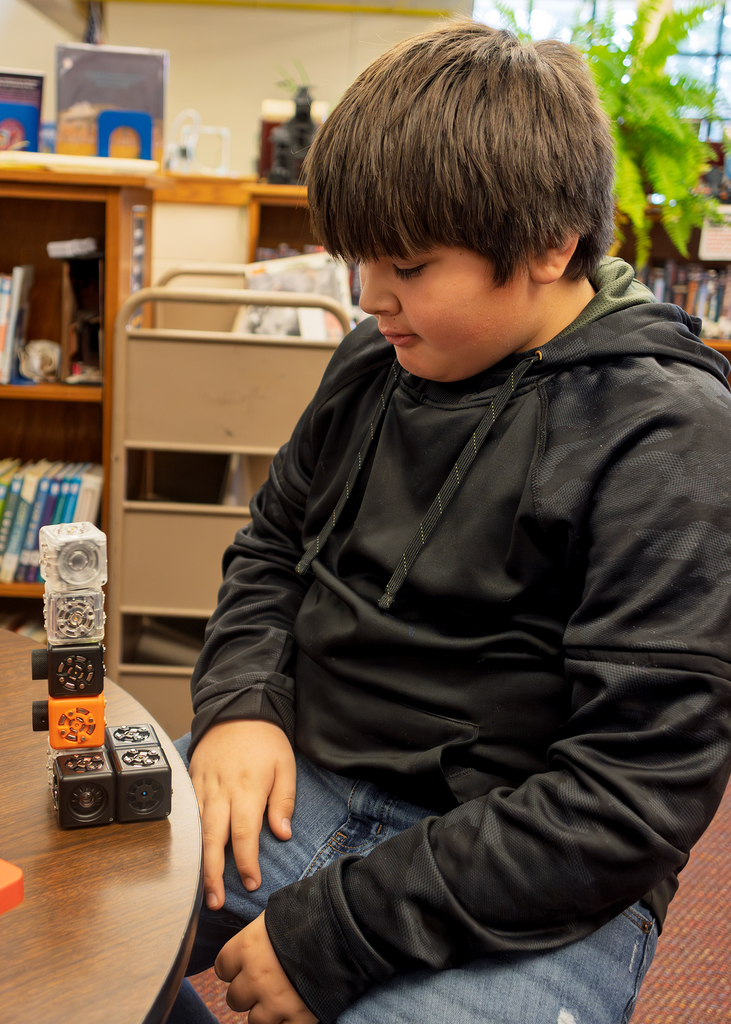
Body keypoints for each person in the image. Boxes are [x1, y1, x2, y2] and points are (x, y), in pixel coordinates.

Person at [169, 20, 731, 1024]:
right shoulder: (375, 359)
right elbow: (270, 549)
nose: (368, 297)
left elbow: (630, 792)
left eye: (410, 266)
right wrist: (242, 702)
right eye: (359, 261)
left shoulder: (671, 435)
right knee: (55, 918)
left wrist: (337, 930)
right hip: (305, 772)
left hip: (527, 868)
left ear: (551, 244)